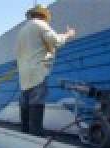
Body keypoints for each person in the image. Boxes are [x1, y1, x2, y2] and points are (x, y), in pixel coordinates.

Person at [15, 4, 77, 137]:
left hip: (24, 73)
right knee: (37, 100)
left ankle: (24, 132)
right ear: (43, 15)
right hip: (38, 70)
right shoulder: (40, 24)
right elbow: (55, 41)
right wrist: (68, 34)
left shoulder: (22, 30)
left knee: (25, 101)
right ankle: (36, 133)